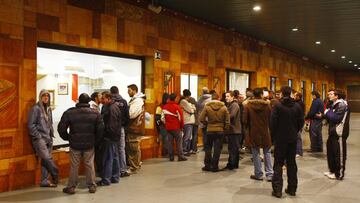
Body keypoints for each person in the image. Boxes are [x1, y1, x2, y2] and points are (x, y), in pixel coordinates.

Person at [58, 93, 104, 194]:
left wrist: (68, 138)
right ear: (88, 101)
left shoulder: (70, 112)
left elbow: (61, 128)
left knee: (74, 165)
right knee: (89, 164)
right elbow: (101, 129)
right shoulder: (95, 113)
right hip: (89, 143)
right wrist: (95, 140)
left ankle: (71, 187)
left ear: (78, 100)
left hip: (75, 143)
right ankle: (91, 185)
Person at [270, 86, 304, 198]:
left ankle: (277, 190)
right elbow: (301, 122)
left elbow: (273, 123)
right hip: (292, 138)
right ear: (290, 93)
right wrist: (295, 131)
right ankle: (292, 188)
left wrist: (274, 136)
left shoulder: (277, 106)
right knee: (291, 163)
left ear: (281, 93)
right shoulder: (297, 106)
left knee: (278, 163)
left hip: (280, 139)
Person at [28, 89, 59, 187]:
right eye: (44, 96)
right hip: (40, 138)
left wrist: (51, 135)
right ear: (40, 97)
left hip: (48, 137)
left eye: (47, 96)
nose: (46, 97)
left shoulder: (49, 109)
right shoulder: (35, 108)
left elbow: (50, 123)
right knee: (47, 157)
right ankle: (55, 173)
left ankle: (44, 181)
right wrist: (38, 136)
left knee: (45, 161)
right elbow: (31, 125)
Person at [243, 88, 273, 181]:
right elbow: (271, 119)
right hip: (265, 131)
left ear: (253, 95)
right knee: (267, 152)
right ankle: (269, 174)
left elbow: (244, 120)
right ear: (261, 94)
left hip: (253, 131)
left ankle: (258, 174)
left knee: (255, 152)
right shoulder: (267, 106)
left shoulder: (248, 106)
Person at [323, 89, 350, 180]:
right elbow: (329, 116)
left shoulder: (342, 105)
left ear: (336, 96)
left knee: (339, 154)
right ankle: (332, 170)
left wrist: (327, 112)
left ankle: (339, 173)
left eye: (331, 94)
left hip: (339, 134)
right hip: (332, 132)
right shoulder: (334, 104)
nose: (329, 96)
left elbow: (336, 118)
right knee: (331, 152)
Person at [199, 93, 230, 172]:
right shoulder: (224, 107)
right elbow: (227, 121)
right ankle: (215, 166)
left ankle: (207, 165)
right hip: (220, 130)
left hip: (210, 130)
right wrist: (225, 129)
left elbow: (201, 118)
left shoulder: (207, 107)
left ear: (211, 99)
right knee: (217, 149)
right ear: (219, 98)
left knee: (208, 148)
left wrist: (207, 124)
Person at [98, 92, 122, 186]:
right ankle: (115, 177)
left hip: (110, 137)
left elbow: (111, 125)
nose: (101, 100)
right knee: (114, 156)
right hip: (115, 136)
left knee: (108, 157)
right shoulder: (113, 107)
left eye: (103, 98)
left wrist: (106, 135)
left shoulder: (111, 108)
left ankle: (106, 179)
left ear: (108, 98)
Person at [110, 86, 131, 177]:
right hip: (121, 128)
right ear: (118, 91)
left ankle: (114, 171)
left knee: (112, 149)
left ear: (111, 92)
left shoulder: (110, 102)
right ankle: (123, 169)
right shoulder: (123, 101)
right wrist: (124, 126)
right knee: (121, 148)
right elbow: (127, 116)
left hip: (111, 129)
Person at [126, 84, 146, 173]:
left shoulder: (137, 101)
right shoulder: (136, 100)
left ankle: (134, 166)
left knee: (133, 147)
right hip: (134, 128)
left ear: (134, 90)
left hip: (134, 128)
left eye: (129, 90)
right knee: (133, 147)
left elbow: (132, 114)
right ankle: (136, 164)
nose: (128, 92)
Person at [162, 93, 187, 161]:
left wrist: (166, 124)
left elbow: (162, 118)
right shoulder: (177, 107)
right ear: (175, 98)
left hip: (168, 128)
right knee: (179, 142)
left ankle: (171, 157)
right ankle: (180, 156)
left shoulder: (165, 107)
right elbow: (181, 118)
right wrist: (182, 126)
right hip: (176, 127)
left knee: (170, 142)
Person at [224, 91, 241, 170]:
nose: (226, 98)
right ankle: (234, 164)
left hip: (234, 130)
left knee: (233, 148)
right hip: (233, 130)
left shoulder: (234, 105)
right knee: (233, 148)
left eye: (228, 96)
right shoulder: (231, 104)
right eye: (226, 96)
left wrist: (223, 117)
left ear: (232, 97)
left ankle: (231, 164)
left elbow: (232, 115)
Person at [179, 89, 196, 156]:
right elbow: (192, 110)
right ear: (188, 96)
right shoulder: (183, 102)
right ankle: (184, 150)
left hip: (189, 121)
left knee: (189, 137)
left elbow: (194, 108)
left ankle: (187, 150)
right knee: (187, 136)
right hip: (187, 121)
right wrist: (192, 107)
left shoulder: (186, 102)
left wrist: (192, 107)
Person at [294, 92, 305, 157]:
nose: (294, 97)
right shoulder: (298, 103)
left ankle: (298, 152)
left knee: (298, 137)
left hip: (298, 122)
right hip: (298, 121)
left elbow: (299, 115)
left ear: (298, 97)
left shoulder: (299, 104)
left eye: (295, 95)